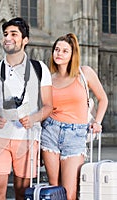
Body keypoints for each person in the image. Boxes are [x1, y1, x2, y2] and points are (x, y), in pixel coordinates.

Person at [0, 17, 53, 200]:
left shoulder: (39, 68)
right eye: (5, 34)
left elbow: (48, 106)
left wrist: (34, 118)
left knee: (22, 193)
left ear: (25, 40)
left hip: (27, 138)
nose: (8, 38)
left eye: (14, 34)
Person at [41, 33, 108, 200]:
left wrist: (97, 122)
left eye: (65, 51)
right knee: (53, 189)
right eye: (57, 49)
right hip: (50, 131)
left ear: (72, 55)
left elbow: (103, 98)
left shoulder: (84, 73)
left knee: (69, 192)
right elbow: (45, 108)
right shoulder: (49, 78)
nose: (59, 53)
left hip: (75, 135)